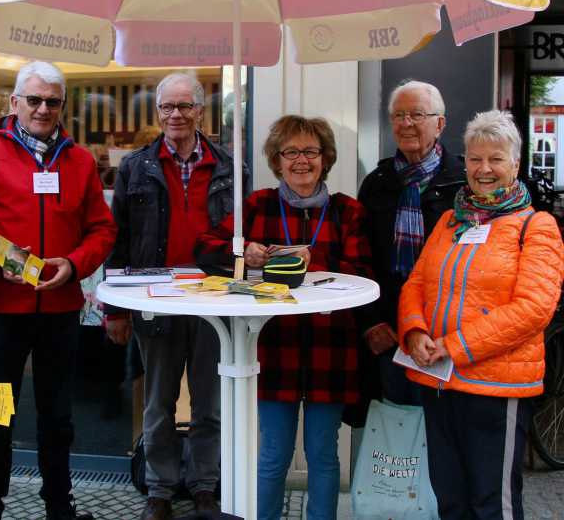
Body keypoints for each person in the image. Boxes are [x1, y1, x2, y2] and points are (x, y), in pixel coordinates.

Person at [0, 60, 117, 520]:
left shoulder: (81, 160)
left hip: (60, 309)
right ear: (14, 103)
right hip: (1, 309)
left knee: (58, 415)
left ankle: (60, 508)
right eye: (34, 100)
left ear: (63, 105)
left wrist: (76, 263)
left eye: (52, 101)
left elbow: (102, 231)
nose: (43, 109)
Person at [195, 115, 373, 520]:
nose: (300, 160)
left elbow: (362, 270)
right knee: (273, 454)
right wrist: (243, 253)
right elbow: (205, 247)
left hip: (332, 350)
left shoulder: (348, 211)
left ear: (325, 158)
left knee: (324, 454)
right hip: (274, 349)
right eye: (290, 152)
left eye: (310, 151)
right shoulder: (257, 205)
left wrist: (316, 261)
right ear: (276, 161)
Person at [398, 110, 564, 520]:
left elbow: (533, 309)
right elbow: (416, 284)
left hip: (495, 388)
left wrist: (453, 347)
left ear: (515, 165)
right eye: (475, 158)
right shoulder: (450, 220)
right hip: (439, 383)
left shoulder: (536, 227)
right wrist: (415, 331)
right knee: (451, 501)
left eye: (495, 159)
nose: (484, 169)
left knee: (493, 504)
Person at [106, 72, 242, 520]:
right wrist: (116, 309)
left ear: (200, 111)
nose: (176, 115)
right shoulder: (135, 166)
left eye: (185, 106)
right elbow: (118, 241)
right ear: (158, 112)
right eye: (168, 107)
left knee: (209, 403)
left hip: (212, 300)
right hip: (156, 299)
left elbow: (244, 237)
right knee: (158, 403)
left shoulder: (229, 165)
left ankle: (204, 486)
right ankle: (160, 489)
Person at [357, 80, 464, 405]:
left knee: (446, 433)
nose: (406, 124)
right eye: (398, 115)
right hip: (390, 333)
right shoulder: (377, 183)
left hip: (447, 334)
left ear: (440, 123)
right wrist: (371, 321)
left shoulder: (464, 184)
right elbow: (361, 259)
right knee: (399, 429)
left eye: (416, 114)